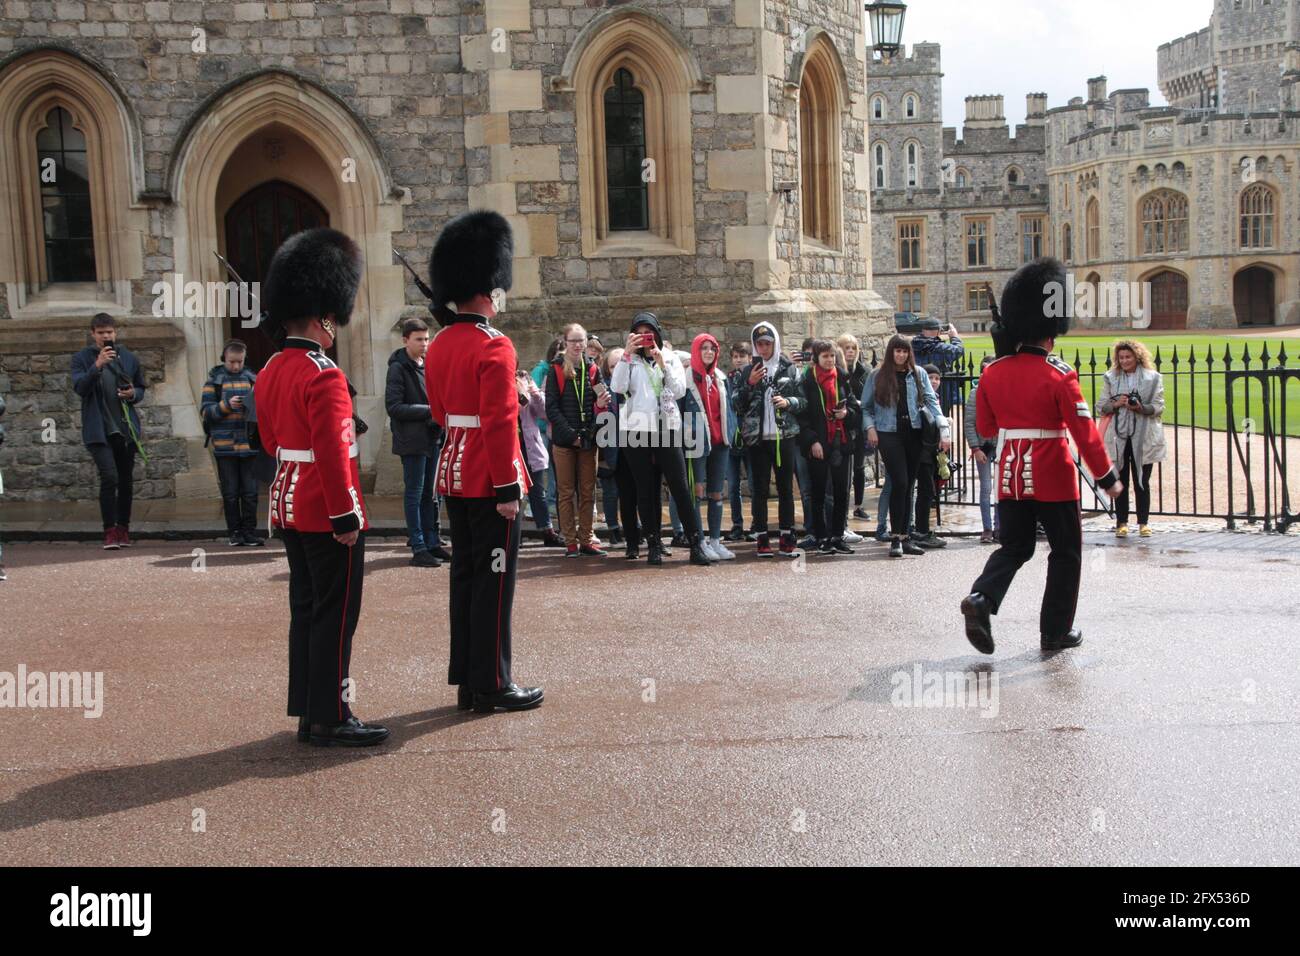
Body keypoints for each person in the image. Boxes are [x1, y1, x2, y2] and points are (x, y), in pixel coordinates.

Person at [255, 227, 388, 747]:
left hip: (287, 506)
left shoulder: (270, 370)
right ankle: (332, 713)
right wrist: (347, 515)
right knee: (336, 614)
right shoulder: (324, 374)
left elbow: (270, 442)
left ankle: (310, 711)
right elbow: (334, 457)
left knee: (307, 608)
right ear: (321, 316)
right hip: (323, 508)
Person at [960, 257, 1123, 656]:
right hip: (1051, 473)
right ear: (1052, 330)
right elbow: (1084, 433)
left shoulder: (992, 373)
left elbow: (987, 425)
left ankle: (982, 597)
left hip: (1010, 474)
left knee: (1014, 548)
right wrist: (1106, 477)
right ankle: (1054, 632)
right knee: (1065, 553)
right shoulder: (1060, 374)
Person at [425, 210, 543, 713]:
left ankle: (469, 682)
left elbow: (439, 412)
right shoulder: (494, 345)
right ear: (491, 289)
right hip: (489, 477)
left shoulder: (439, 345)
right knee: (494, 582)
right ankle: (493, 682)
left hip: (453, 471)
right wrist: (507, 487)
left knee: (467, 578)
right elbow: (498, 423)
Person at [609, 312, 711, 567]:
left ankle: (695, 543)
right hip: (636, 428)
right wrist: (626, 355)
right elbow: (617, 387)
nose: (645, 337)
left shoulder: (670, 357)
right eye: (640, 332)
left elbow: (677, 390)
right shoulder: (629, 360)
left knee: (679, 486)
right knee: (644, 488)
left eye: (649, 332)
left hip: (666, 426)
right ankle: (653, 543)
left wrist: (662, 363)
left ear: (657, 333)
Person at [861, 334, 944, 558]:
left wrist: (943, 427)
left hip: (914, 433)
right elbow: (866, 407)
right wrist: (870, 428)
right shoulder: (878, 375)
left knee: (908, 487)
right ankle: (895, 538)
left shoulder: (919, 374)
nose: (901, 355)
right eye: (897, 351)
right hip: (889, 434)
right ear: (891, 352)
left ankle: (905, 537)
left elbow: (930, 400)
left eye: (904, 351)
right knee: (900, 482)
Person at [71, 313, 147, 550]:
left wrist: (132, 394)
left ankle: (123, 529)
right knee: (110, 477)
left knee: (125, 481)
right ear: (93, 333)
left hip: (125, 429)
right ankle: (109, 531)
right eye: (101, 332)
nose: (106, 336)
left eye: (110, 332)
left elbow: (141, 387)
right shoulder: (81, 359)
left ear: (115, 332)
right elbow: (81, 388)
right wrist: (98, 365)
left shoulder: (128, 358)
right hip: (99, 430)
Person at [735, 322, 806, 557]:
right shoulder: (748, 371)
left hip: (783, 436)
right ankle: (762, 536)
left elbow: (802, 401)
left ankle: (787, 535)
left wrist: (788, 403)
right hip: (758, 439)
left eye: (767, 344)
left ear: (774, 344)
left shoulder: (789, 368)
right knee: (760, 490)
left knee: (786, 488)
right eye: (759, 344)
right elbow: (737, 403)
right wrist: (749, 384)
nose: (763, 348)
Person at [385, 317, 449, 567]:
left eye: (427, 339)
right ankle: (419, 545)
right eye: (419, 340)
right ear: (405, 340)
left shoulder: (428, 364)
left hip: (431, 437)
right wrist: (430, 411)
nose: (425, 344)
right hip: (411, 440)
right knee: (415, 493)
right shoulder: (398, 368)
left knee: (430, 495)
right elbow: (394, 407)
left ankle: (433, 542)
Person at [545, 322, 608, 557]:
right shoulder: (556, 369)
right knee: (565, 491)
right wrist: (571, 435)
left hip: (588, 440)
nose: (578, 345)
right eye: (574, 341)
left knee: (588, 491)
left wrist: (593, 422)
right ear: (566, 343)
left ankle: (586, 538)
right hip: (565, 442)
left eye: (581, 340)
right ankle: (570, 541)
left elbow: (601, 405)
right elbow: (551, 407)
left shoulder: (593, 369)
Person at [1096, 339, 1166, 538]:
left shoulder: (1153, 378)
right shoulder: (1110, 377)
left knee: (1142, 480)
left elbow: (1159, 406)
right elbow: (1101, 407)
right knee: (1121, 480)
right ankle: (1122, 522)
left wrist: (1140, 407)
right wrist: (1117, 403)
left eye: (1128, 356)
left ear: (1137, 356)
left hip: (1143, 437)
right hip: (1118, 437)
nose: (1125, 360)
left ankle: (1143, 522)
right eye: (1121, 357)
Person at [797, 339, 860, 554]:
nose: (830, 360)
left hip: (840, 442)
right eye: (825, 356)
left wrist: (846, 413)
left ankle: (837, 535)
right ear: (816, 358)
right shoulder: (807, 380)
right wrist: (812, 440)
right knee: (818, 492)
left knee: (842, 491)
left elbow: (853, 407)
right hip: (819, 443)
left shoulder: (841, 377)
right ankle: (821, 536)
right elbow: (802, 415)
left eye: (832, 356)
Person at [201, 339, 263, 547]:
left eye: (239, 362)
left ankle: (250, 531)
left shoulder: (254, 380)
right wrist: (226, 405)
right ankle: (234, 533)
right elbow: (206, 412)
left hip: (249, 446)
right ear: (224, 359)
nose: (235, 366)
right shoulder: (213, 382)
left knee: (250, 493)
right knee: (230, 493)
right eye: (231, 362)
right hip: (225, 446)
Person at [682, 333, 735, 561]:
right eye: (704, 348)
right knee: (697, 494)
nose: (709, 352)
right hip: (696, 444)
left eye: (712, 348)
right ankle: (699, 541)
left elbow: (729, 409)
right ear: (696, 350)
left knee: (716, 494)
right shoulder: (684, 379)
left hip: (719, 442)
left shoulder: (721, 378)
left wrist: (730, 433)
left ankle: (715, 540)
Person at [516, 366, 565, 548]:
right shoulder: (500, 382)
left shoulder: (524, 378)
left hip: (529, 444)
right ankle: (515, 533)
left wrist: (534, 392)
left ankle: (547, 531)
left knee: (537, 491)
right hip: (511, 444)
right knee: (514, 492)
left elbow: (544, 413)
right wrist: (519, 394)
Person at [911, 363, 953, 549]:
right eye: (931, 378)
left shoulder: (937, 399)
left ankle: (919, 529)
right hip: (922, 450)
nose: (934, 381)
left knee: (929, 491)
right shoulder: (921, 399)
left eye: (937, 378)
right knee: (925, 490)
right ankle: (920, 531)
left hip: (931, 451)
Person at [964, 355, 1000, 544]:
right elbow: (969, 423)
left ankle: (999, 527)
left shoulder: (1004, 391)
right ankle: (987, 528)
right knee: (986, 488)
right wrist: (975, 448)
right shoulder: (975, 393)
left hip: (1001, 446)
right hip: (983, 447)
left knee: (1000, 488)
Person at [837, 334, 873, 521]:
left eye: (853, 347)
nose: (850, 351)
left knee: (858, 467)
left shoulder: (865, 370)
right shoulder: (836, 370)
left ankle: (858, 506)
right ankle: (840, 507)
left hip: (858, 424)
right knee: (842, 469)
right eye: (846, 347)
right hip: (840, 425)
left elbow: (870, 398)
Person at [596, 347, 628, 547]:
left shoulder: (631, 388)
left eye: (619, 365)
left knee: (629, 491)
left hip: (631, 445)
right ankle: (613, 529)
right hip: (608, 446)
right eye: (612, 366)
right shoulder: (603, 389)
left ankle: (633, 526)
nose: (616, 369)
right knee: (610, 492)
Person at [724, 342, 755, 542]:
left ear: (750, 358)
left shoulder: (754, 377)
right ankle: (737, 524)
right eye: (735, 356)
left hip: (750, 439)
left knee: (753, 484)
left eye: (742, 356)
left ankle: (756, 524)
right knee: (733, 485)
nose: (738, 360)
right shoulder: (727, 379)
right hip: (731, 440)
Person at [911, 317, 965, 414]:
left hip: (917, 390)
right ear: (939, 332)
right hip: (942, 391)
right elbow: (958, 350)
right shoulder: (942, 349)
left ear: (923, 330)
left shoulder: (912, 347)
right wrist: (954, 337)